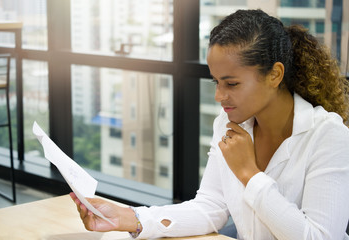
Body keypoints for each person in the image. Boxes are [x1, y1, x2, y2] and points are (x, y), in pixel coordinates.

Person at [71, 9, 349, 239]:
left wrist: (249, 175)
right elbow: (211, 207)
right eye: (216, 82)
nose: (219, 96)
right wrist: (133, 218)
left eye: (232, 84)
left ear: (275, 75)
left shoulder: (328, 137)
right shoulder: (228, 124)